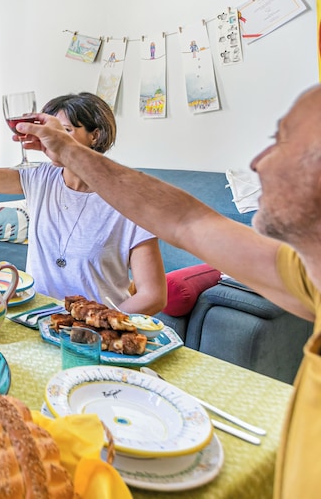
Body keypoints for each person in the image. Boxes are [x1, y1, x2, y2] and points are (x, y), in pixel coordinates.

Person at [22, 84, 321, 498]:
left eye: (281, 140)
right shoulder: (305, 276)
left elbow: (172, 254)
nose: (256, 162)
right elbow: (186, 222)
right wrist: (66, 151)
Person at [0, 92, 166, 315]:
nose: (53, 139)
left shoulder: (130, 198)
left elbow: (153, 295)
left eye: (65, 131)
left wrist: (96, 321)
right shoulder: (39, 178)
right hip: (36, 318)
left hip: (93, 335)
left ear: (95, 135)